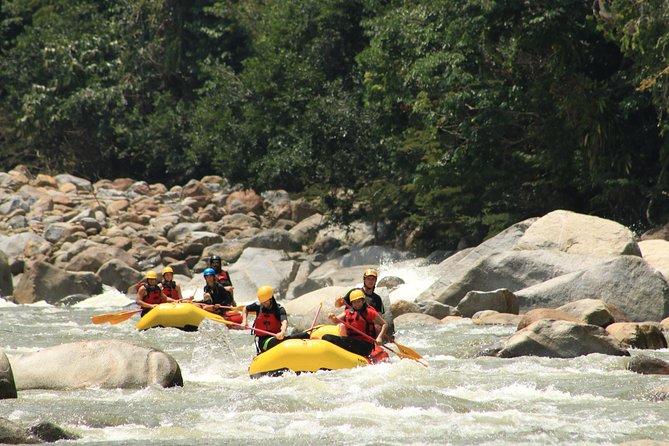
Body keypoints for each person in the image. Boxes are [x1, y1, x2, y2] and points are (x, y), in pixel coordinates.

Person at [241, 285, 308, 353]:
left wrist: (283, 332)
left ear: (271, 299)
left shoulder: (279, 309)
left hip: (277, 337)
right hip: (263, 343)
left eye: (265, 302)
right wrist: (244, 321)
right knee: (281, 341)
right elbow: (245, 309)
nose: (263, 304)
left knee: (304, 335)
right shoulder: (259, 305)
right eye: (262, 302)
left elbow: (284, 322)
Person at [323, 289, 388, 357]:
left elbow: (384, 324)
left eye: (359, 301)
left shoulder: (369, 312)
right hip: (352, 341)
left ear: (363, 301)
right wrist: (332, 317)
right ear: (351, 303)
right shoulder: (348, 312)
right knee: (326, 337)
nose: (357, 304)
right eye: (354, 302)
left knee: (333, 339)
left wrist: (380, 337)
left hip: (365, 345)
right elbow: (336, 321)